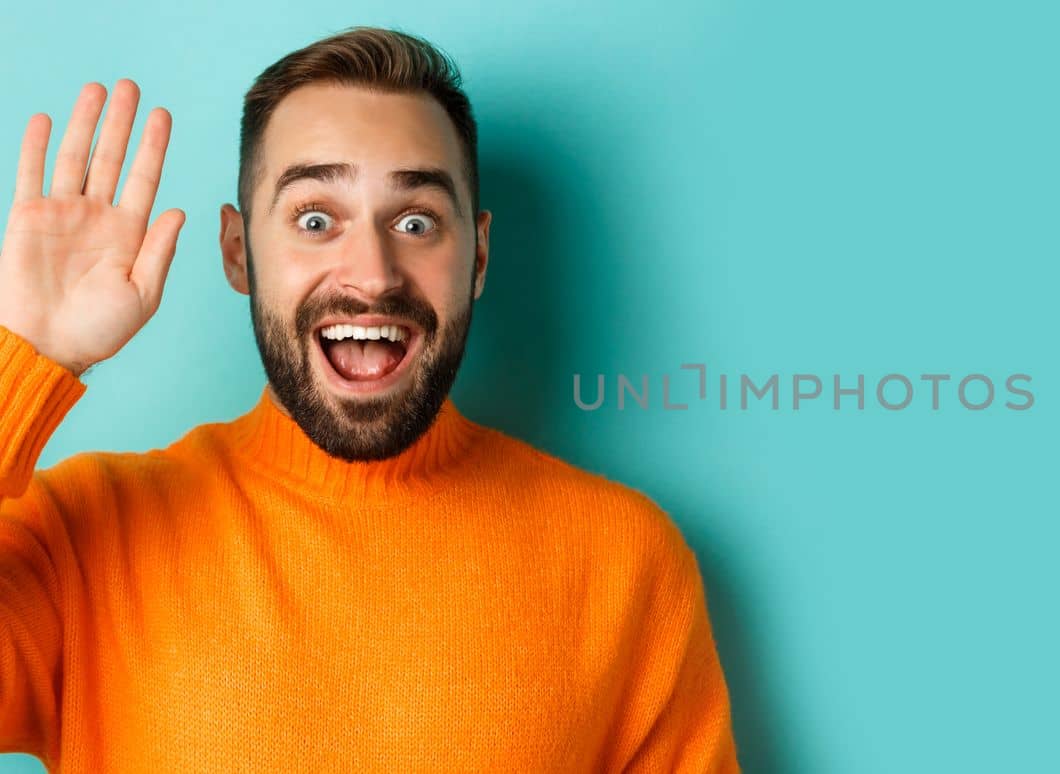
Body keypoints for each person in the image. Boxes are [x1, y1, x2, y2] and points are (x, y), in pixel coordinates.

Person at [0, 25, 739, 772]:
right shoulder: (80, 543)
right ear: (237, 251)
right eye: (316, 219)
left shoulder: (626, 563)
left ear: (478, 257)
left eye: (416, 221)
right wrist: (24, 356)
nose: (373, 273)